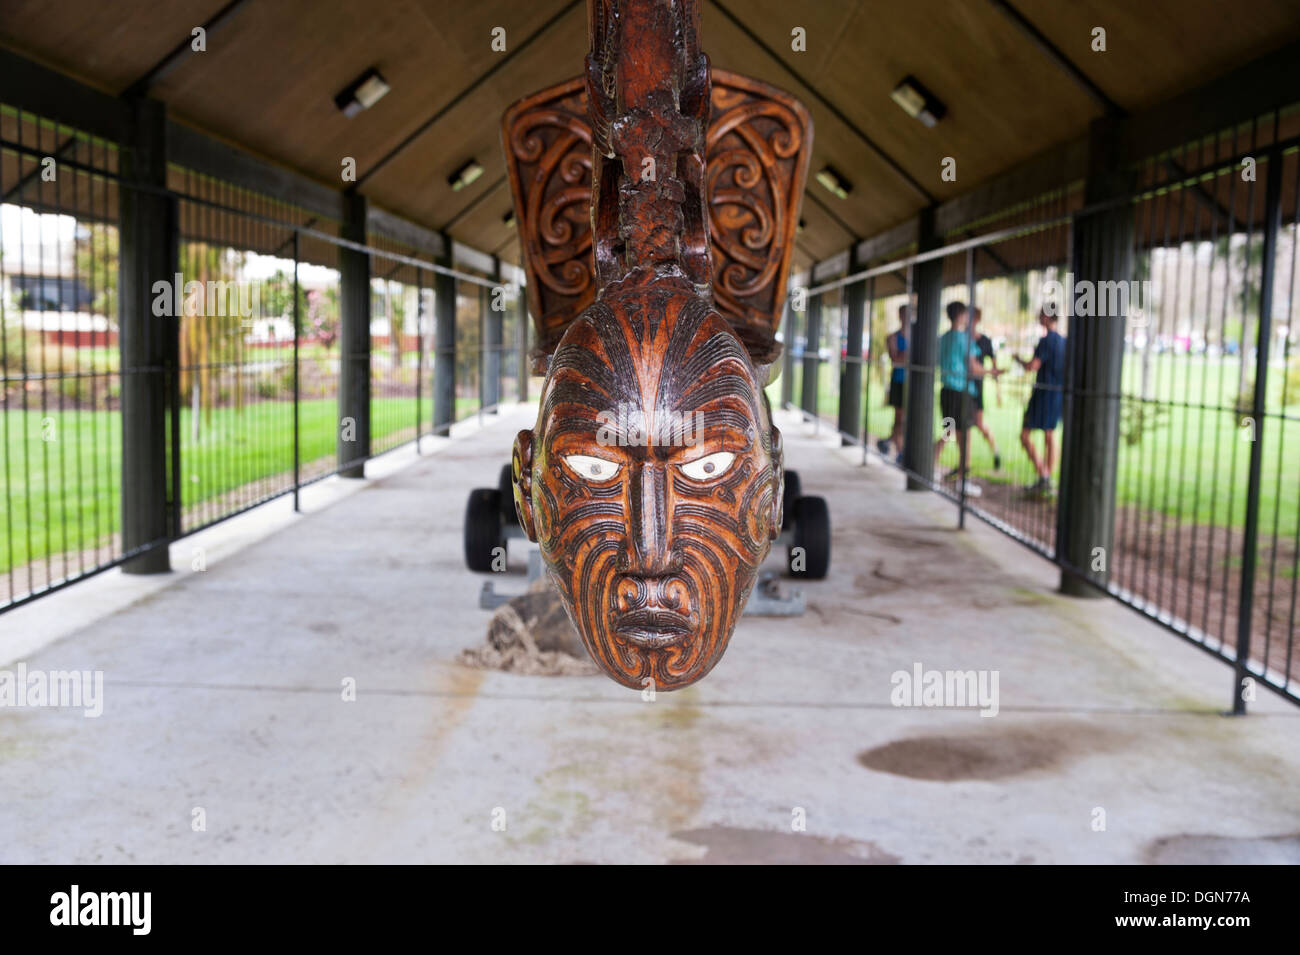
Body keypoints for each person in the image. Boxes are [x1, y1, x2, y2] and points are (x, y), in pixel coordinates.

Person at [934, 301, 1000, 497]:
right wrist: (991, 371)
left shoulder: (943, 338)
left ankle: (931, 467)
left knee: (948, 432)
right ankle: (963, 480)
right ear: (961, 316)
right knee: (965, 438)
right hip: (961, 393)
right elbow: (973, 367)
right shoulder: (964, 340)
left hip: (947, 391)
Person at [1015, 308, 1067, 495]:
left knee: (1025, 435)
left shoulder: (1046, 341)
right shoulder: (1064, 342)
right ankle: (1046, 477)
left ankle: (1044, 475)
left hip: (1043, 394)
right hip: (1057, 394)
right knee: (1049, 435)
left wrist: (1018, 360)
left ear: (1046, 317)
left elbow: (1032, 366)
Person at [969, 307, 1002, 471]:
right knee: (954, 427)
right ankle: (962, 466)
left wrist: (998, 392)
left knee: (978, 424)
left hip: (976, 389)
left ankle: (995, 451)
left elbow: (993, 368)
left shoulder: (984, 341)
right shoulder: (962, 338)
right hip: (960, 389)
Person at [877, 304, 908, 459]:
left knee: (905, 419)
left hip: (912, 384)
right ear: (900, 316)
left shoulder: (915, 337)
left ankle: (888, 441)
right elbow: (895, 359)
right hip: (899, 381)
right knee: (899, 418)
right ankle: (900, 451)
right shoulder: (893, 337)